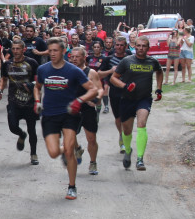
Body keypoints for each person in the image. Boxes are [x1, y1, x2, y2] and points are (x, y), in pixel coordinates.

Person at [34, 38, 98, 200]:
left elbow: (93, 90)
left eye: (56, 50)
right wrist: (36, 101)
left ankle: (71, 186)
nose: (52, 54)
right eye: (50, 51)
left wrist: (79, 101)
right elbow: (37, 87)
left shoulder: (73, 71)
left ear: (64, 52)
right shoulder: (43, 69)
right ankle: (69, 149)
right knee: (54, 152)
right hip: (49, 115)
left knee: (69, 151)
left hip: (69, 114)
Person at [110, 36, 164, 171]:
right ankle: (128, 150)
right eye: (138, 46)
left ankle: (140, 159)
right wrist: (124, 86)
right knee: (126, 130)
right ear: (135, 47)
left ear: (148, 48)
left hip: (144, 99)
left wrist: (159, 88)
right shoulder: (127, 61)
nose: (141, 48)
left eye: (144, 46)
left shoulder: (152, 61)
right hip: (127, 99)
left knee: (141, 124)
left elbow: (159, 72)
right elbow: (113, 78)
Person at [2, 38, 40, 165]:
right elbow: (4, 79)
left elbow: (39, 82)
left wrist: (32, 84)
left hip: (29, 101)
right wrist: (0, 90)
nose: (16, 51)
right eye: (13, 49)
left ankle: (33, 154)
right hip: (13, 100)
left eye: (18, 48)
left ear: (24, 49)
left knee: (32, 129)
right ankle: (21, 134)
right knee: (12, 126)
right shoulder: (7, 64)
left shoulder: (32, 62)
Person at [69, 46, 102, 176]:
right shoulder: (67, 70)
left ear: (84, 57)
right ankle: (77, 148)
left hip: (87, 108)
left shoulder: (91, 73)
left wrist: (96, 100)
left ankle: (93, 162)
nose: (75, 59)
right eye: (72, 57)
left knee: (91, 138)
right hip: (72, 107)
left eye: (77, 57)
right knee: (69, 135)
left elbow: (99, 89)